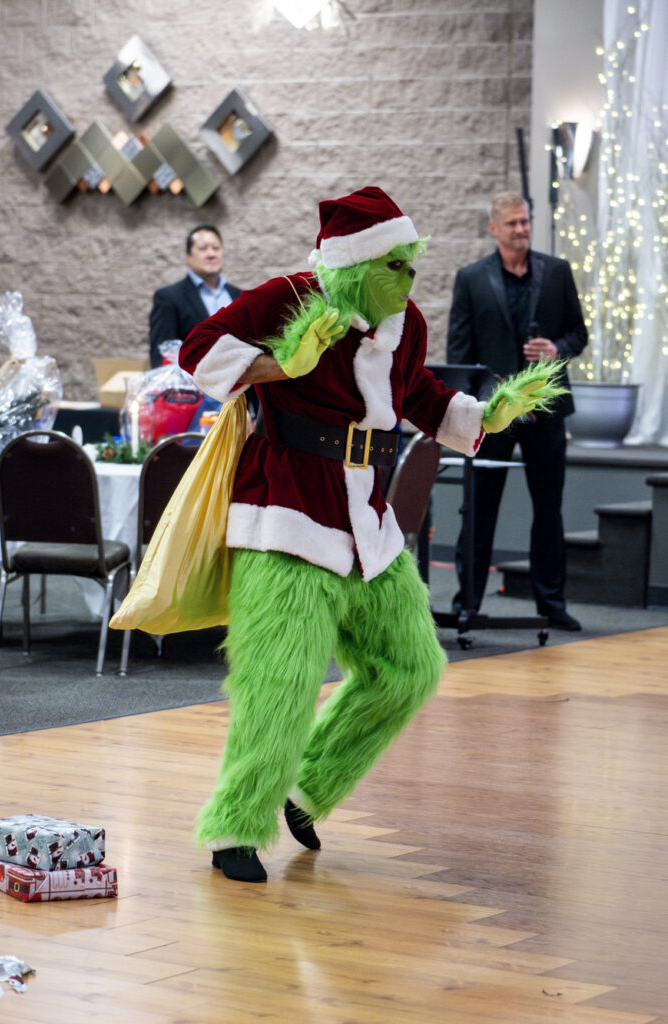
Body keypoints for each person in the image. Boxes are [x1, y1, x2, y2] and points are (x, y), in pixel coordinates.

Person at [176, 186, 563, 883]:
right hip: (286, 513)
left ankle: (309, 788)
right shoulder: (293, 295)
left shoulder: (405, 322)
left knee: (410, 667)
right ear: (354, 263)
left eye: (411, 265)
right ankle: (236, 825)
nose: (407, 280)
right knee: (280, 684)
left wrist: (485, 415)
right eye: (394, 266)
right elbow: (197, 351)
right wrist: (280, 364)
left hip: (367, 522)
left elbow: (416, 393)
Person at [446, 191, 588, 631]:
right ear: (494, 228)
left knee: (549, 509)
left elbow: (578, 334)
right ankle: (467, 601)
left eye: (525, 221)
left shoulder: (558, 272)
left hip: (547, 408)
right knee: (479, 508)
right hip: (494, 413)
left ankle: (552, 603)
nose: (521, 229)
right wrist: (468, 407)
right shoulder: (471, 279)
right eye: (512, 223)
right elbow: (459, 351)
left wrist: (557, 348)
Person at [148, 224, 242, 368]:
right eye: (203, 248)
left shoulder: (239, 296)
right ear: (189, 256)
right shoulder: (168, 298)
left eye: (216, 248)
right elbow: (161, 355)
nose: (211, 254)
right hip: (194, 380)